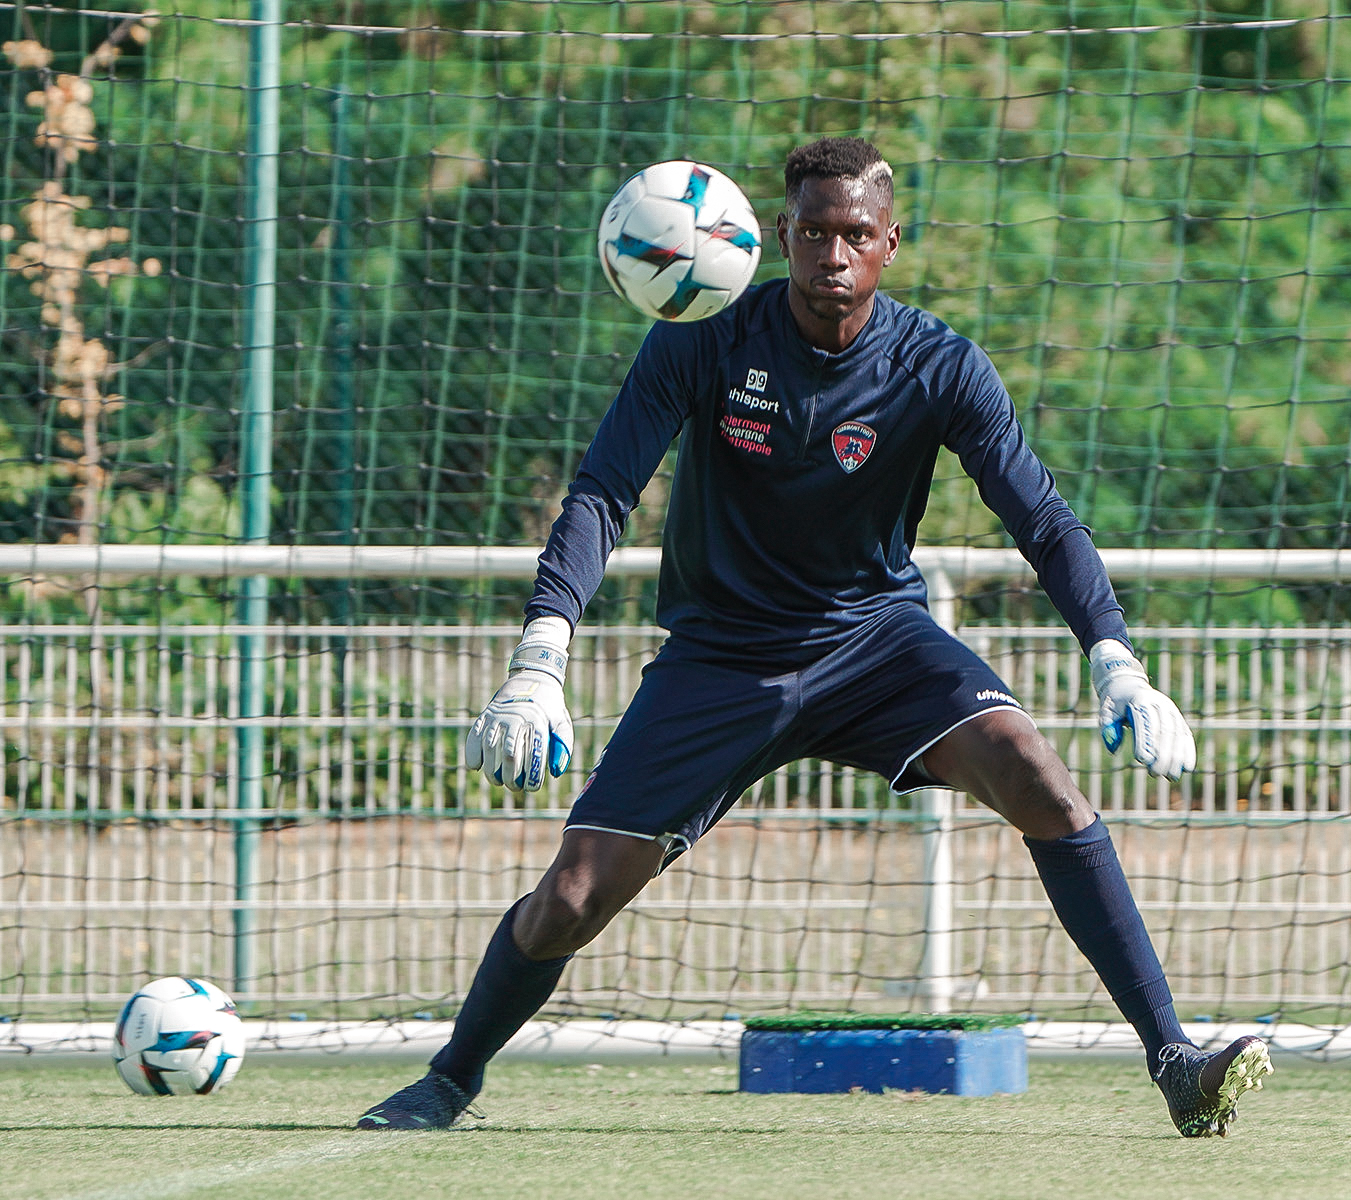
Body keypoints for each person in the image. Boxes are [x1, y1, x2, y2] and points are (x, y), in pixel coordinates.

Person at [356, 137, 1271, 1138]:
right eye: (814, 232)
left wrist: (1117, 661)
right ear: (780, 236)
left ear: (890, 242)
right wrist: (541, 659)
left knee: (1038, 777)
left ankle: (1175, 1061)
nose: (834, 254)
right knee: (571, 899)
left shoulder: (940, 365)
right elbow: (604, 492)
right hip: (722, 657)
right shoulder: (701, 338)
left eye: (856, 235)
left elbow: (1043, 521)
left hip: (876, 644)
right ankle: (449, 1078)